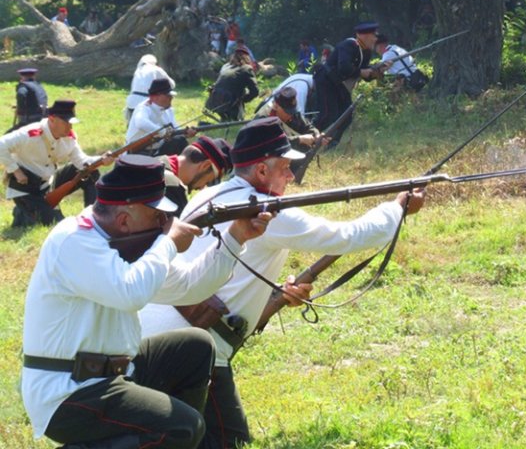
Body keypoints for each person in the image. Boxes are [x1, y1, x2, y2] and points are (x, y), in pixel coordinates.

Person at [139, 117, 426, 449]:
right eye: (285, 167)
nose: (291, 176)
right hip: (197, 344)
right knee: (225, 441)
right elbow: (349, 236)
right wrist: (397, 207)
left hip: (160, 334)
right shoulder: (268, 212)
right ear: (262, 171)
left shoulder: (212, 194)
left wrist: (275, 295)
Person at [21, 154, 273, 449]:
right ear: (125, 219)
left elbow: (190, 287)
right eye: (157, 215)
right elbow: (130, 293)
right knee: (183, 427)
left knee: (196, 346)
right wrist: (165, 245)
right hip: (68, 393)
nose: (165, 222)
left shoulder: (124, 240)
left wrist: (235, 238)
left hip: (110, 374)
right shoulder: (74, 240)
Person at [0, 100, 114, 228]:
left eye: (71, 123)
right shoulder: (30, 134)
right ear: (52, 119)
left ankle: (94, 217)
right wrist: (15, 170)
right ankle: (24, 211)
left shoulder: (69, 138)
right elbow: (1, 145)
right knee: (57, 223)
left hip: (49, 183)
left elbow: (82, 162)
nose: (70, 127)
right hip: (27, 189)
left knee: (91, 171)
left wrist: (101, 160)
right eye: (66, 122)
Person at [313, 22, 388, 146]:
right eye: (373, 35)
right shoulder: (349, 45)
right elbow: (344, 68)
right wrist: (361, 71)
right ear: (364, 36)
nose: (376, 38)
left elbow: (364, 74)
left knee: (347, 116)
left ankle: (332, 144)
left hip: (340, 85)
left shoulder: (366, 52)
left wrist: (377, 72)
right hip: (326, 82)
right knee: (327, 116)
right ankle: (307, 141)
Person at [160, 136, 233, 216]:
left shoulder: (157, 161)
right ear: (205, 165)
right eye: (208, 182)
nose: (202, 187)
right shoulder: (171, 187)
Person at [126, 78, 196, 157]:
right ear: (155, 97)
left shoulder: (168, 110)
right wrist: (162, 132)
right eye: (167, 95)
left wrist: (186, 134)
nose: (171, 98)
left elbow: (175, 130)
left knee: (180, 141)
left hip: (158, 150)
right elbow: (141, 123)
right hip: (139, 153)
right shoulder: (143, 108)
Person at [254, 86, 323, 163]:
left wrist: (316, 135)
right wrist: (299, 139)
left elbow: (307, 127)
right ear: (276, 106)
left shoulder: (292, 113)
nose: (290, 115)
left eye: (292, 111)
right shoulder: (263, 119)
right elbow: (271, 144)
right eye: (287, 112)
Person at [204, 49, 260, 121]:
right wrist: (244, 99)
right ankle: (234, 118)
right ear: (247, 58)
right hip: (230, 102)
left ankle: (225, 118)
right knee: (241, 92)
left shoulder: (225, 66)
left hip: (213, 101)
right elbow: (255, 91)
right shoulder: (246, 68)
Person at [124, 54, 176, 123]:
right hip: (147, 102)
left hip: (131, 101)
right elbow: (171, 84)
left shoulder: (137, 71)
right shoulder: (156, 69)